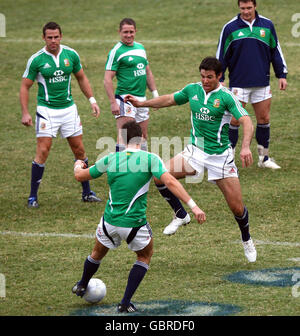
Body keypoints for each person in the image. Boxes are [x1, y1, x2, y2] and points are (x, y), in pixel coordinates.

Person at [125, 57, 257, 263]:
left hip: (220, 157)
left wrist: (246, 146)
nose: (205, 80)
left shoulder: (226, 97)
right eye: (203, 76)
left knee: (237, 208)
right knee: (160, 175)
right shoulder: (192, 90)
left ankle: (247, 239)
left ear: (219, 76)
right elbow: (169, 99)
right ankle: (180, 214)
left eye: (209, 77)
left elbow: (246, 121)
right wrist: (143, 103)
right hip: (195, 151)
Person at [71, 120, 206, 313]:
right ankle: (125, 303)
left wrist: (77, 164)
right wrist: (193, 207)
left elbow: (80, 175)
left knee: (97, 253)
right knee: (144, 255)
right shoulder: (151, 159)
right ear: (142, 138)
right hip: (134, 224)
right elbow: (171, 182)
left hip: (109, 222)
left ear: (122, 139)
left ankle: (82, 284)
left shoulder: (110, 159)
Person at [20, 21, 102, 208]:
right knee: (43, 151)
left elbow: (81, 77)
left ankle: (87, 192)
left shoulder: (70, 55)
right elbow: (25, 86)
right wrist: (25, 112)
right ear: (43, 38)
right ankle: (33, 196)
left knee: (79, 151)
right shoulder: (37, 59)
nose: (53, 41)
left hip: (69, 110)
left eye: (56, 37)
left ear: (61, 36)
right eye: (49, 37)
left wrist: (92, 100)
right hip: (47, 110)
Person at [216, 0, 287, 169]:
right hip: (239, 83)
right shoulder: (230, 28)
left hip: (262, 81)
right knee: (234, 120)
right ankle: (229, 158)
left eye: (249, 8)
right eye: (243, 8)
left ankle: (264, 158)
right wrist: (220, 77)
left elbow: (275, 51)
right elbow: (221, 54)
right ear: (239, 7)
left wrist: (281, 75)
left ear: (255, 6)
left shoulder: (267, 25)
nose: (246, 11)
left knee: (264, 119)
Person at [104, 18, 159, 152]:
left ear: (135, 31)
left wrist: (155, 95)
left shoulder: (140, 48)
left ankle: (143, 169)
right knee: (125, 137)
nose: (128, 35)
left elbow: (148, 72)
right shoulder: (116, 51)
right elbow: (107, 79)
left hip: (142, 99)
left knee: (142, 136)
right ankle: (119, 169)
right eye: (125, 32)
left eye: (131, 32)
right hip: (125, 98)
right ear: (119, 32)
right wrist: (113, 102)